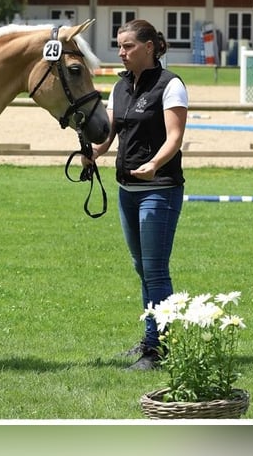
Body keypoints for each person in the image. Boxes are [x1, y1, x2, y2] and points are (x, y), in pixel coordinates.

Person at [85, 19, 188, 370]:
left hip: (159, 190)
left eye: (128, 46)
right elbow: (110, 131)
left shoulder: (170, 85)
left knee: (156, 270)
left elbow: (174, 137)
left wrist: (155, 164)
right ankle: (151, 339)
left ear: (149, 47)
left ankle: (158, 350)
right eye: (119, 45)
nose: (121, 52)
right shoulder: (121, 87)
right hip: (127, 191)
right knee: (142, 269)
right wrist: (93, 152)